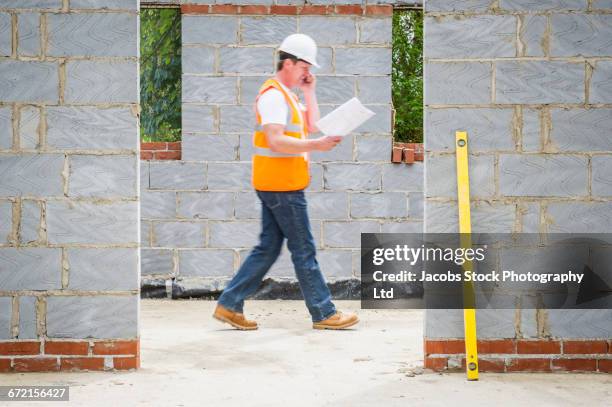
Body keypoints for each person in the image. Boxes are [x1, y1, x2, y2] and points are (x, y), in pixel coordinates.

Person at [213, 33, 359, 331]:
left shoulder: (288, 95)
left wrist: (310, 93)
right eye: (305, 67)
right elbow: (276, 141)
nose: (309, 72)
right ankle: (324, 312)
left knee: (268, 248)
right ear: (289, 63)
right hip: (282, 185)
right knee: (303, 248)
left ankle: (229, 304)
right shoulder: (273, 97)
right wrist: (316, 146)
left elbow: (311, 126)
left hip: (279, 182)